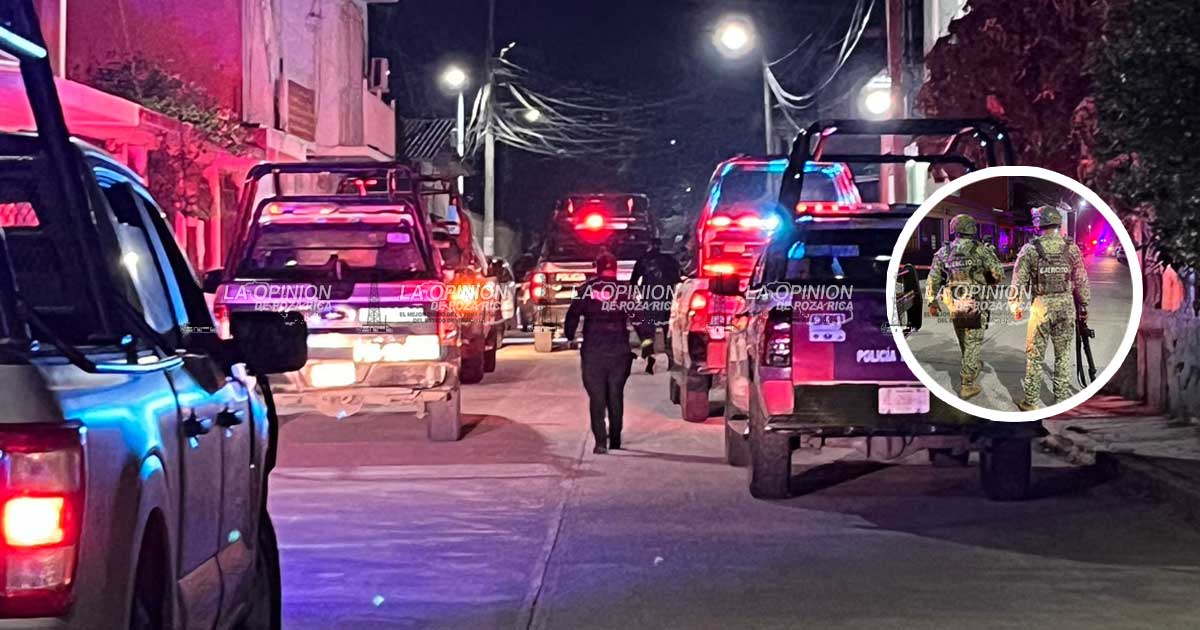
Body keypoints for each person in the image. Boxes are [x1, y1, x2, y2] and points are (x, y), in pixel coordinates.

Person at [1010, 206, 1090, 410]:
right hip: (1066, 308)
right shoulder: (1071, 248)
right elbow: (1081, 281)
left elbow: (1017, 282)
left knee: (1035, 357)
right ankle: (1061, 400)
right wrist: (1083, 306)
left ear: (1039, 224)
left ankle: (1030, 401)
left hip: (1041, 308)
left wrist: (1015, 306)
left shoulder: (1030, 249)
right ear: (1057, 222)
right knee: (1063, 355)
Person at [925, 214, 1004, 400]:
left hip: (954, 301)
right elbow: (998, 274)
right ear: (972, 229)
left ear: (954, 229)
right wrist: (988, 280)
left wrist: (931, 301)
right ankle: (967, 384)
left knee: (963, 336)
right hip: (976, 300)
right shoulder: (981, 250)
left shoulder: (944, 252)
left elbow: (933, 278)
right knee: (974, 341)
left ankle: (973, 364)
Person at [564, 252, 636, 454]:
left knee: (597, 397)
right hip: (619, 351)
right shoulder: (624, 290)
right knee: (615, 394)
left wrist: (569, 335)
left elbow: (573, 314)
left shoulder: (586, 289)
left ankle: (600, 442)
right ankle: (615, 439)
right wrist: (648, 341)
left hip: (593, 351)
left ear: (597, 268)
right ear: (616, 268)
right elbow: (639, 316)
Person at [629, 237, 682, 374]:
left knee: (647, 330)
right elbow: (679, 278)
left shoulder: (643, 260)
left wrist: (637, 295)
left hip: (649, 300)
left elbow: (633, 281)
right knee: (669, 330)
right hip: (666, 300)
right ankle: (671, 360)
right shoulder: (670, 260)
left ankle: (648, 354)